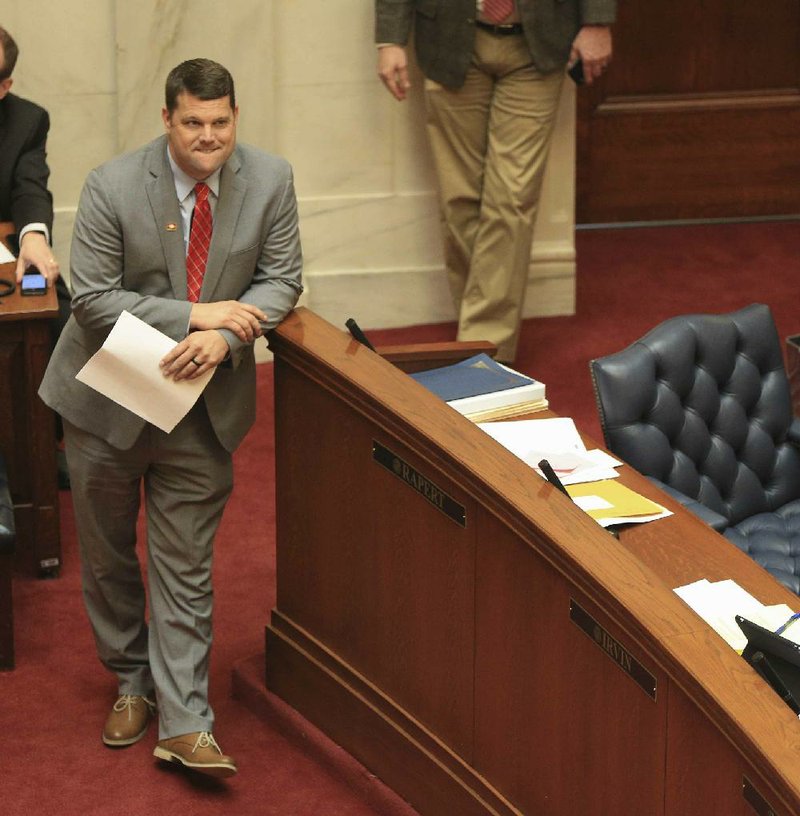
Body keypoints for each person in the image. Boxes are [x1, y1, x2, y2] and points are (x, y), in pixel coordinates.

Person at [39, 58, 303, 778]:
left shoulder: (270, 179)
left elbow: (282, 279)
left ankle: (186, 721)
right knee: (109, 557)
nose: (208, 137)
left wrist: (222, 338)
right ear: (167, 120)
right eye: (193, 122)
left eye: (220, 122)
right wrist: (196, 312)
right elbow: (91, 299)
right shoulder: (113, 183)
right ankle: (131, 679)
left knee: (185, 566)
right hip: (107, 404)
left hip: (202, 410)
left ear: (236, 118)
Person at [375, 0, 616, 363]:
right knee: (460, 200)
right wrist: (389, 38)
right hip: (449, 36)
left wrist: (597, 20)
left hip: (540, 40)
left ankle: (484, 354)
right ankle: (480, 339)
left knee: (512, 198)